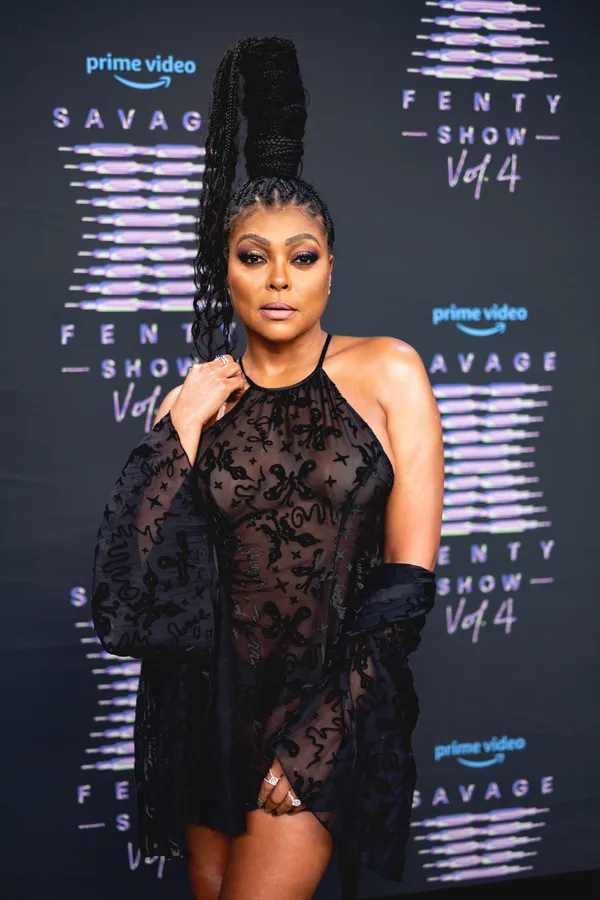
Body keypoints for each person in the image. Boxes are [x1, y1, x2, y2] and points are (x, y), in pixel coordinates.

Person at [92, 36, 443, 900]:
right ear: (226, 269)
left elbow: (404, 586)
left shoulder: (389, 371)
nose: (279, 278)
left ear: (330, 268)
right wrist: (178, 423)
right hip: (202, 712)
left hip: (324, 703)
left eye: (302, 255)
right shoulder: (199, 399)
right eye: (254, 256)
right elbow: (127, 593)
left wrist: (323, 734)